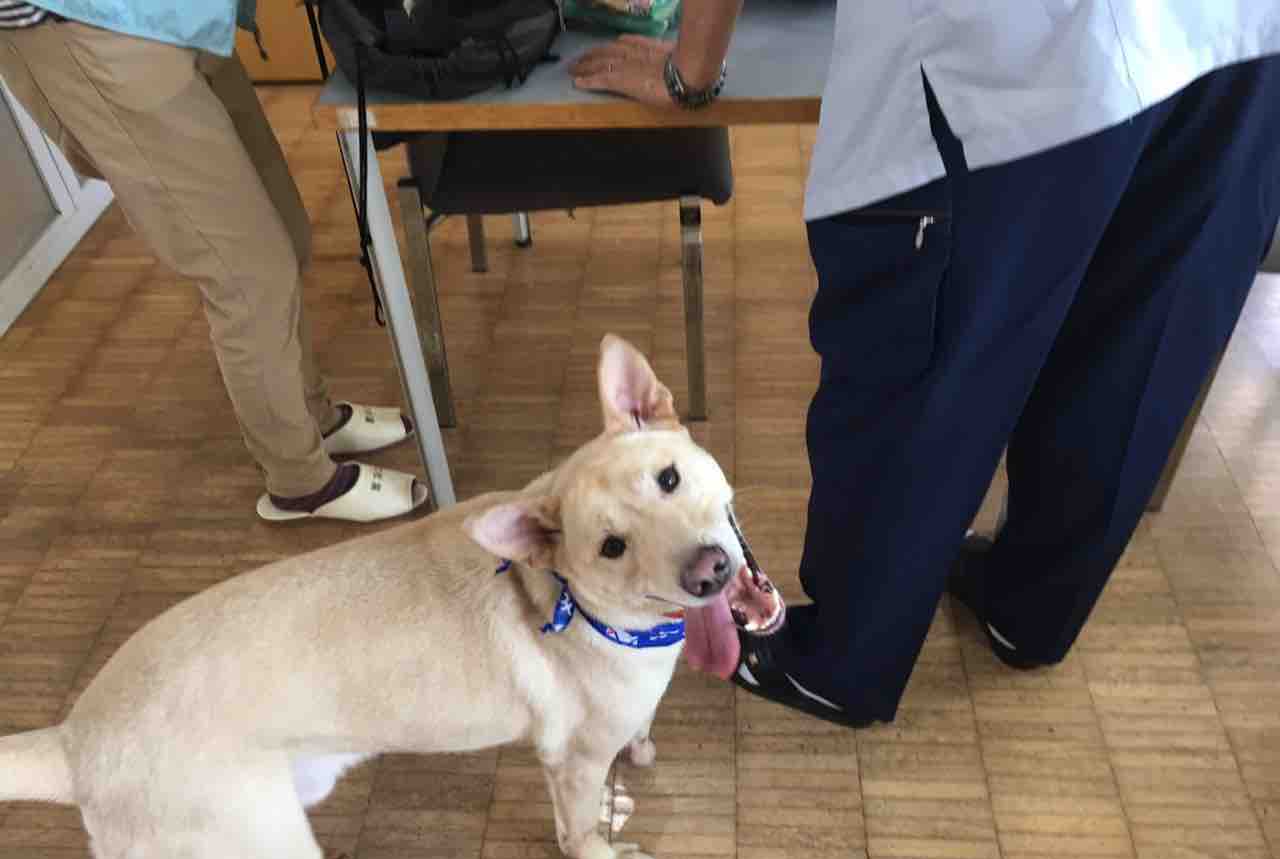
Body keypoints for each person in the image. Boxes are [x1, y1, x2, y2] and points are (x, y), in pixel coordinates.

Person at [571, 3, 1280, 726]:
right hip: (1241, 35)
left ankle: (842, 665)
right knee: (1143, 330)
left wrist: (689, 73)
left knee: (918, 352)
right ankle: (1032, 606)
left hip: (1007, 51)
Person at [0, 1, 428, 524]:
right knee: (245, 275)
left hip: (182, 14)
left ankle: (311, 416)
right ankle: (299, 480)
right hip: (90, 28)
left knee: (285, 232)